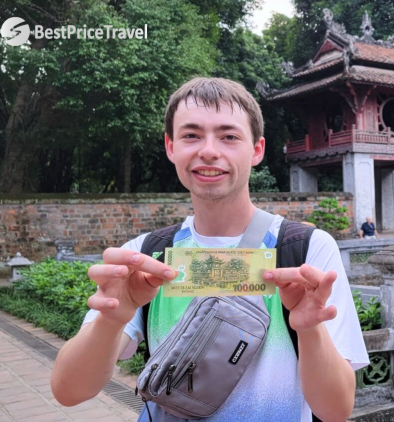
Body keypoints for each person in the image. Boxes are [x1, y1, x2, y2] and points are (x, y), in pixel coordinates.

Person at [51, 78, 369, 422]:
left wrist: (309, 329)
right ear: (171, 147)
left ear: (257, 149)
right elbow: (69, 391)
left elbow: (336, 410)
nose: (209, 151)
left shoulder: (306, 252)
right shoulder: (144, 257)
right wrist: (112, 319)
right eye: (191, 135)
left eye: (229, 136)